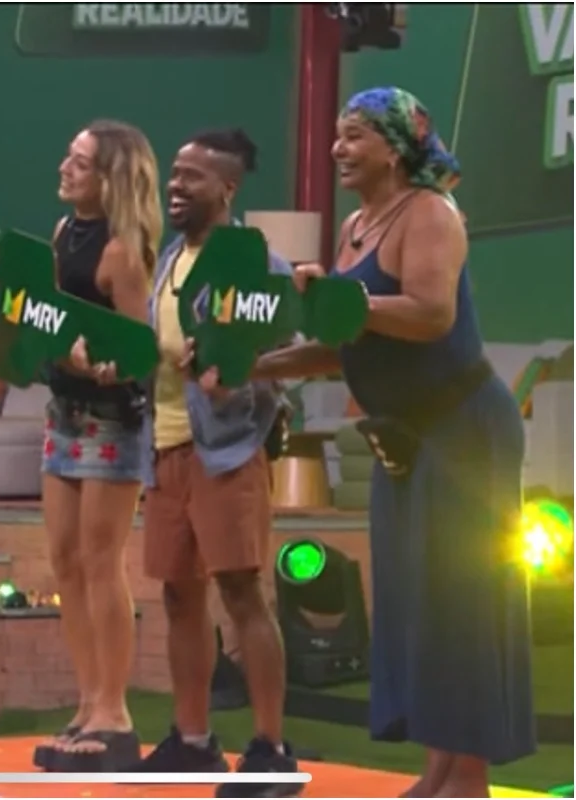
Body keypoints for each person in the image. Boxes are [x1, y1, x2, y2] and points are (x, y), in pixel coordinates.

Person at [254, 87, 534, 798]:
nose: (337, 149)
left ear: (396, 144)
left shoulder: (430, 213)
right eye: (336, 136)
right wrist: (255, 367)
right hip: (402, 438)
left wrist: (339, 300)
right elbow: (344, 339)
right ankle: (438, 767)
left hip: (462, 430)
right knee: (415, 602)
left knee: (462, 598)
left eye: (354, 135)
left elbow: (431, 314)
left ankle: (468, 776)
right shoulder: (356, 226)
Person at [0, 120, 159, 771]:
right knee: (64, 560)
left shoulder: (122, 253)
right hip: (63, 414)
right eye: (69, 156)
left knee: (102, 560)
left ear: (110, 179)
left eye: (79, 162)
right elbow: (41, 316)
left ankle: (115, 711)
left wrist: (97, 364)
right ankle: (87, 702)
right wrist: (0, 284)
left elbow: (136, 355)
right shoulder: (61, 234)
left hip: (111, 420)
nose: (64, 167)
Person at [130, 129, 301, 798]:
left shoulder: (257, 265)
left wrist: (235, 379)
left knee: (241, 593)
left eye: (191, 177)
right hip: (165, 449)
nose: (175, 186)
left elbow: (287, 358)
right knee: (179, 594)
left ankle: (270, 749)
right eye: (174, 173)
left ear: (227, 189)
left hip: (227, 453)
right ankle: (193, 741)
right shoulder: (170, 261)